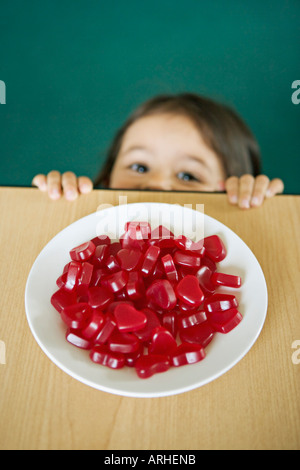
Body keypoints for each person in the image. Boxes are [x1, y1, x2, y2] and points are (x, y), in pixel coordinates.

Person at [32, 93, 284, 209]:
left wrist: (251, 205)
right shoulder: (93, 226)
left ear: (227, 190)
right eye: (139, 167)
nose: (157, 184)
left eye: (188, 176)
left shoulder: (234, 207)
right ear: (108, 179)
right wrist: (59, 203)